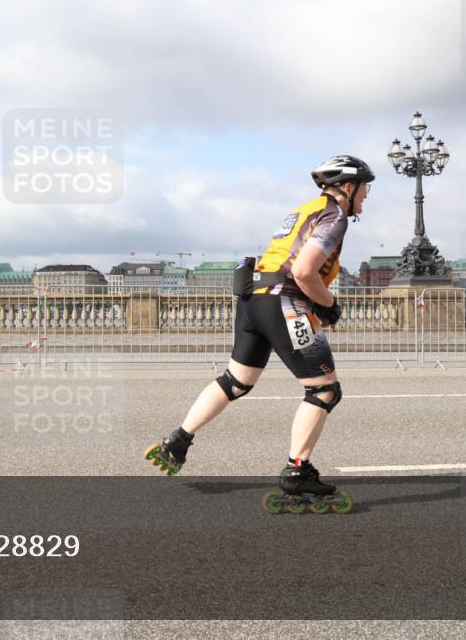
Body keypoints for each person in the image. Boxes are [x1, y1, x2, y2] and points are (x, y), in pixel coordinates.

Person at [144, 155, 375, 509]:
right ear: (348, 187)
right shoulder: (335, 216)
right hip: (285, 304)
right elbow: (303, 270)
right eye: (365, 189)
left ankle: (178, 441)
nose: (366, 197)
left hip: (254, 300)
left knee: (235, 381)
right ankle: (297, 471)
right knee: (325, 390)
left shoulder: (306, 209)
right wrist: (329, 304)